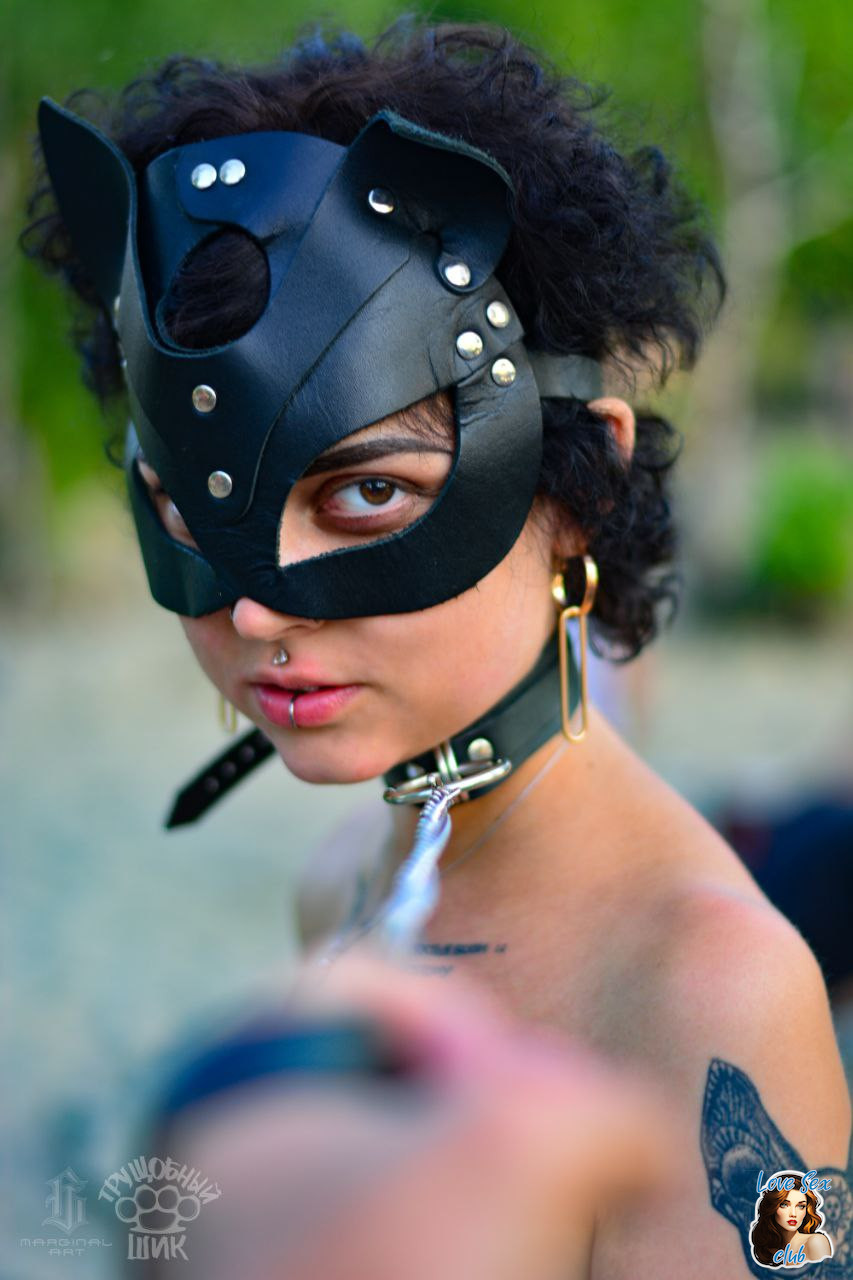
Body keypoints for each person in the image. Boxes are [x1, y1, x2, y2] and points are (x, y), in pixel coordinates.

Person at [24, 17, 851, 1278]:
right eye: (190, 507)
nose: (257, 614)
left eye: (366, 493)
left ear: (579, 484)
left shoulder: (711, 983)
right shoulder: (345, 878)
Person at [750, 1173, 833, 1268]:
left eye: (801, 1206)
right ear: (772, 1207)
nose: (793, 1214)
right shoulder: (768, 1249)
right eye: (784, 1205)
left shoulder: (816, 1242)